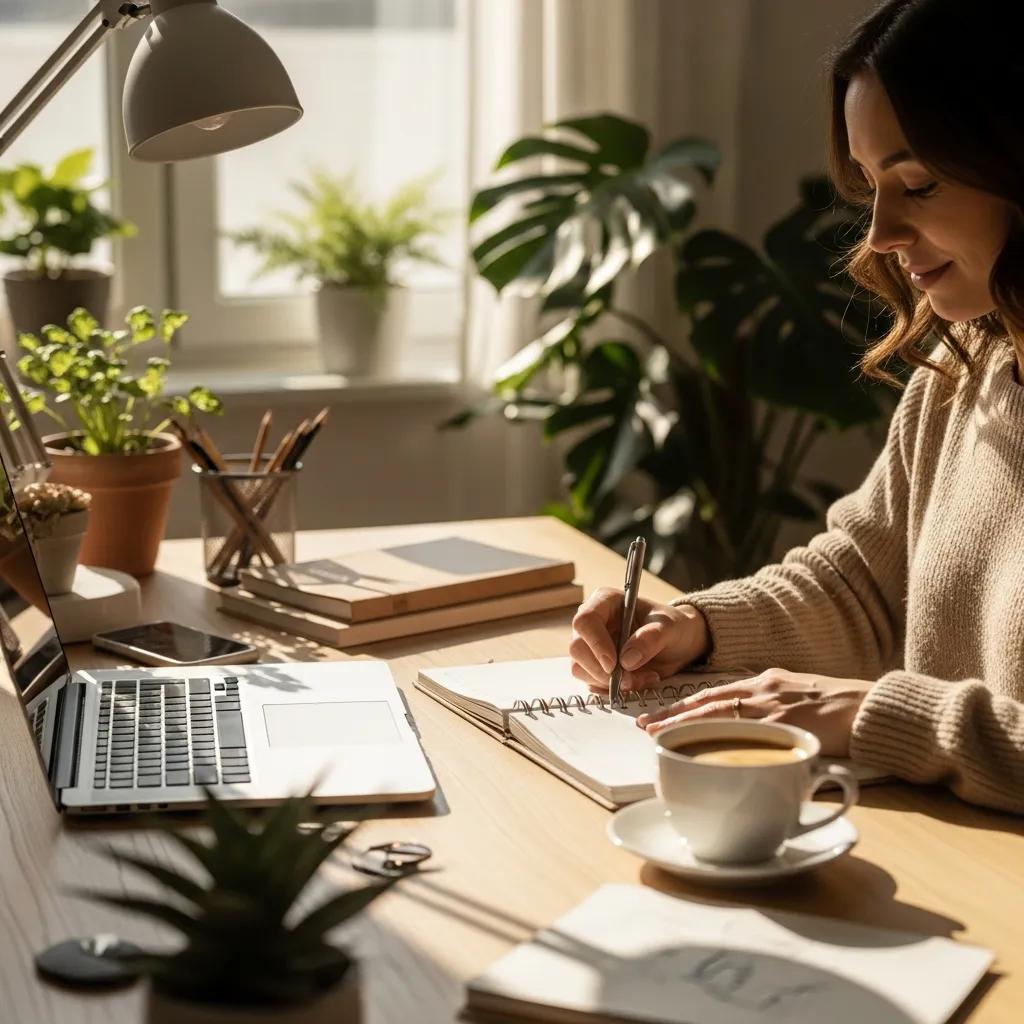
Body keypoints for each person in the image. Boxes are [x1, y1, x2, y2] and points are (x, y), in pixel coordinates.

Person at [569, 0, 1024, 815]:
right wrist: (697, 630)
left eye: (916, 182)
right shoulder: (962, 373)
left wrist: (887, 717)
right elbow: (859, 587)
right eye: (870, 184)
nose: (880, 231)